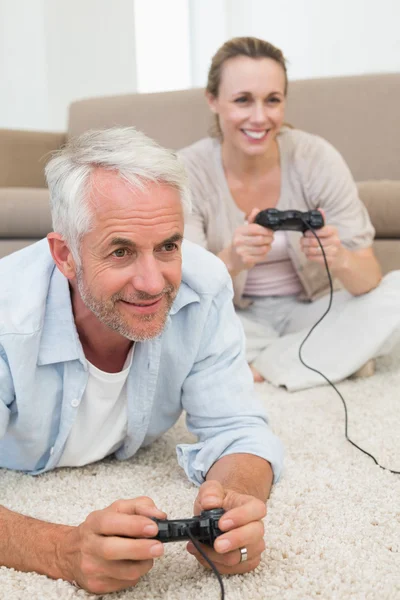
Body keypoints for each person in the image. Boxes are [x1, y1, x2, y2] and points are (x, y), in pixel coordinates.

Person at [0, 127, 283, 594]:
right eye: (121, 251)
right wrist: (59, 550)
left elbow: (240, 430)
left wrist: (234, 504)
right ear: (65, 256)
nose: (153, 283)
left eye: (168, 246)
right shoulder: (9, 317)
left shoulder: (203, 284)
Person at [179, 36, 400, 391]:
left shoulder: (316, 157)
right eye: (242, 100)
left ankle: (262, 365)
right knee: (173, 327)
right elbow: (182, 285)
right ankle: (330, 359)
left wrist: (339, 258)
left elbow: (369, 277)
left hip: (312, 310)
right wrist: (231, 260)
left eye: (273, 100)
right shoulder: (187, 170)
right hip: (234, 318)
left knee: (397, 294)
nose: (260, 117)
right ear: (213, 100)